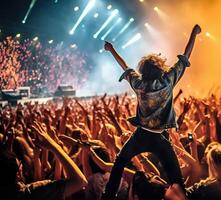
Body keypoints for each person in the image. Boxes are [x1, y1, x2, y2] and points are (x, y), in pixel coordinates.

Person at [101, 24, 202, 200]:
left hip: (140, 135)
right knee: (176, 179)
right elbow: (185, 57)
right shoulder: (168, 81)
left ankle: (107, 197)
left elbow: (124, 66)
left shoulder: (139, 84)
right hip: (161, 138)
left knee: (119, 163)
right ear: (160, 68)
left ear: (143, 70)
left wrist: (112, 50)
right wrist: (193, 34)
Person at [0, 121, 88, 200]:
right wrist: (54, 146)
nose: (22, 166)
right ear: (18, 174)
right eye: (20, 165)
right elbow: (80, 181)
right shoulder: (32, 193)